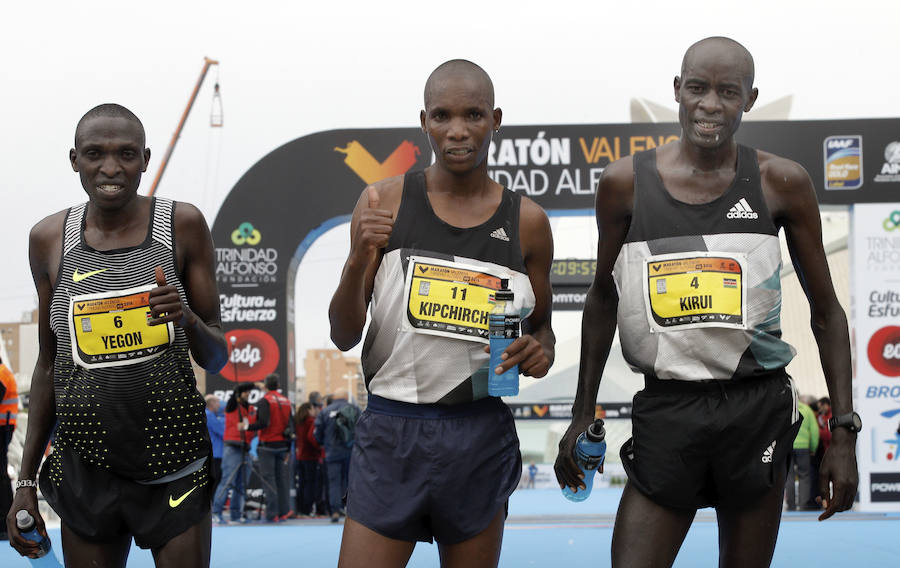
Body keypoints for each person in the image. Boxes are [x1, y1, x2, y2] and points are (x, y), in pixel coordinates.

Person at [554, 37, 858, 568]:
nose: (710, 105)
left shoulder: (781, 182)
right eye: (697, 88)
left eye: (727, 92)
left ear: (750, 98)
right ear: (678, 89)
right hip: (669, 409)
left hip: (756, 409)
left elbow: (827, 311)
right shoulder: (625, 184)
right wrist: (582, 413)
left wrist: (845, 436)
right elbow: (603, 297)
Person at [329, 59, 554, 567]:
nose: (458, 131)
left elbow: (542, 329)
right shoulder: (381, 202)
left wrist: (540, 351)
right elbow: (343, 335)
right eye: (442, 115)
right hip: (391, 429)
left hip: (479, 432)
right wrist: (358, 258)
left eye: (473, 115)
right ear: (424, 120)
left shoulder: (529, 223)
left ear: (495, 119)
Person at [6, 104, 228, 567]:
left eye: (126, 154)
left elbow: (218, 356)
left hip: (174, 464)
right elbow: (49, 365)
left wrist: (186, 320)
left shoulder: (182, 225)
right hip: (87, 468)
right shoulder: (48, 238)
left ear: (145, 159)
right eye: (95, 154)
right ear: (74, 160)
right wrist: (25, 483)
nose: (111, 168)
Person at [245, 373, 294, 522]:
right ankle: (284, 512)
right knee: (281, 480)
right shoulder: (286, 401)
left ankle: (272, 514)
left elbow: (263, 423)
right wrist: (288, 448)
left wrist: (247, 426)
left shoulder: (264, 401)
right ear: (278, 385)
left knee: (269, 481)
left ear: (266, 386)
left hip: (267, 446)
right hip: (282, 446)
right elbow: (291, 427)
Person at [212, 382, 256, 524]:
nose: (248, 395)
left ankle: (236, 515)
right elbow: (238, 392)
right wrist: (253, 386)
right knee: (227, 481)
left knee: (242, 483)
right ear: (239, 393)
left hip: (246, 448)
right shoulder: (232, 406)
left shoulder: (250, 409)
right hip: (232, 447)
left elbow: (253, 427)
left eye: (249, 393)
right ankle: (216, 512)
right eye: (245, 392)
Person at [314, 387, 358, 523]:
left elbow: (317, 433)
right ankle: (351, 512)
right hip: (351, 452)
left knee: (334, 482)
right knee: (351, 481)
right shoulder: (354, 409)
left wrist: (323, 443)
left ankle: (334, 511)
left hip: (332, 452)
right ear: (346, 397)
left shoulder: (325, 411)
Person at [785, 399, 820, 510]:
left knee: (789, 476)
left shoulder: (786, 407)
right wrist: (813, 447)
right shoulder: (807, 410)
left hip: (788, 446)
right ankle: (803, 505)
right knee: (804, 476)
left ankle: (791, 505)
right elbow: (815, 431)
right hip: (804, 447)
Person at [0, 356, 18, 541]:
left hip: (2, 427)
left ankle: (4, 524)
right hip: (4, 426)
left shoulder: (2, 374)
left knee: (1, 475)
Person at [294, 402, 322, 516]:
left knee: (301, 483)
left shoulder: (298, 422)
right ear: (309, 410)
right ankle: (307, 508)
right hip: (310, 456)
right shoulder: (311, 421)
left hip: (300, 455)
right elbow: (312, 437)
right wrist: (319, 447)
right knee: (310, 483)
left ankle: (300, 508)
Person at [205, 394, 225, 487]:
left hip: (214, 453)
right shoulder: (208, 415)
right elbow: (222, 431)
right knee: (216, 481)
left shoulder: (208, 415)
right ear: (212, 403)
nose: (220, 405)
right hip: (215, 454)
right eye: (218, 402)